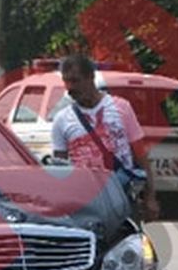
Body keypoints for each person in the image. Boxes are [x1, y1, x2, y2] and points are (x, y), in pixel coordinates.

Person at [50, 54, 160, 221]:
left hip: (121, 197)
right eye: (66, 81)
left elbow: (140, 155)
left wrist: (150, 197)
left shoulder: (121, 108)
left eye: (75, 80)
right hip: (85, 203)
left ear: (90, 77)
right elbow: (59, 169)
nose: (70, 87)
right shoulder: (62, 120)